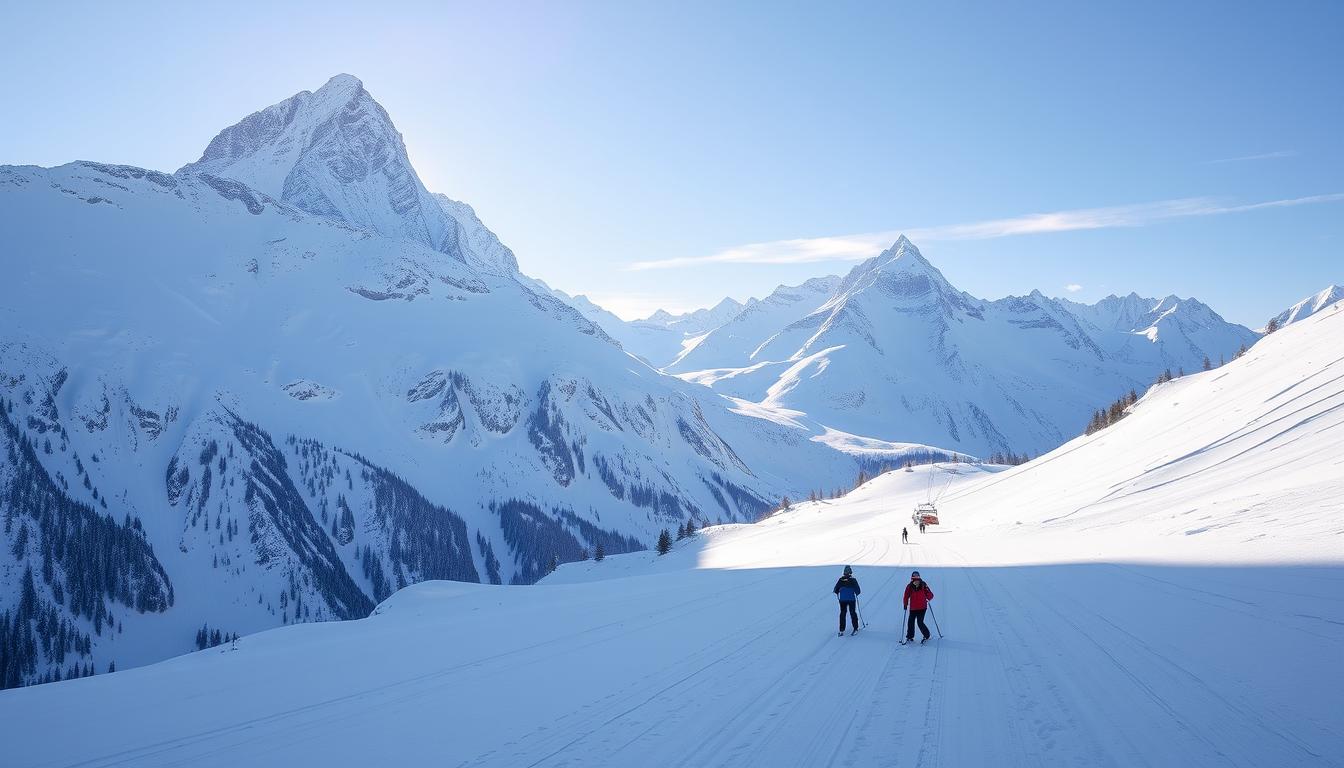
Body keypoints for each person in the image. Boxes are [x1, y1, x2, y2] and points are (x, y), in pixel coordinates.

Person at [903, 570, 934, 643]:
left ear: (919, 579)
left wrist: (928, 598)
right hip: (913, 608)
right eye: (914, 579)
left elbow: (931, 595)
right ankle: (910, 637)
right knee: (910, 622)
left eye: (917, 579)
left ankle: (927, 635)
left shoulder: (923, 585)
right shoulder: (909, 586)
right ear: (912, 579)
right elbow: (906, 596)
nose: (916, 581)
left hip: (922, 608)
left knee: (920, 622)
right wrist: (905, 604)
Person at [833, 565, 861, 636]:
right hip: (851, 599)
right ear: (850, 572)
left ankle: (841, 630)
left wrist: (840, 592)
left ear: (844, 572)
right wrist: (854, 592)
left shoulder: (840, 580)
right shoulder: (853, 580)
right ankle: (855, 628)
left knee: (843, 613)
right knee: (853, 613)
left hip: (842, 600)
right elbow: (858, 591)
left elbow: (835, 590)